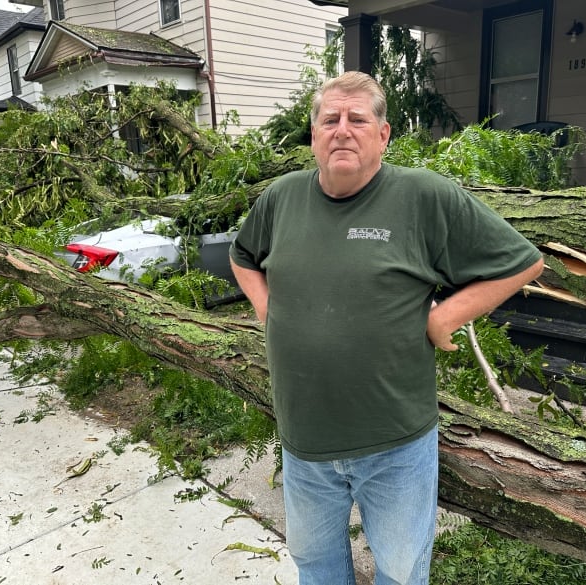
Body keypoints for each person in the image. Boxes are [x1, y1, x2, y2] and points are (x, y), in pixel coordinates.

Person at [229, 71, 544, 585]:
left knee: (401, 573)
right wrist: (268, 309)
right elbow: (244, 256)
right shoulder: (282, 198)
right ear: (313, 136)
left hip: (395, 446)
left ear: (383, 134)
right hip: (305, 443)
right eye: (330, 119)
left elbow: (521, 263)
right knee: (315, 566)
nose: (342, 130)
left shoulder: (423, 196)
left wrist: (446, 316)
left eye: (358, 119)